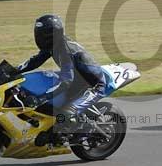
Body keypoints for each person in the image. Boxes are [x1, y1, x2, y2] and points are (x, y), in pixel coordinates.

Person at [17, 14, 106, 142]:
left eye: (43, 34)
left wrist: (44, 97)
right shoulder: (54, 45)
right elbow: (35, 61)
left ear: (53, 34)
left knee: (67, 112)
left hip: (93, 85)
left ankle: (73, 134)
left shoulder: (65, 50)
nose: (39, 37)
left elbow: (66, 81)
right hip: (76, 80)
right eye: (38, 34)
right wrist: (13, 71)